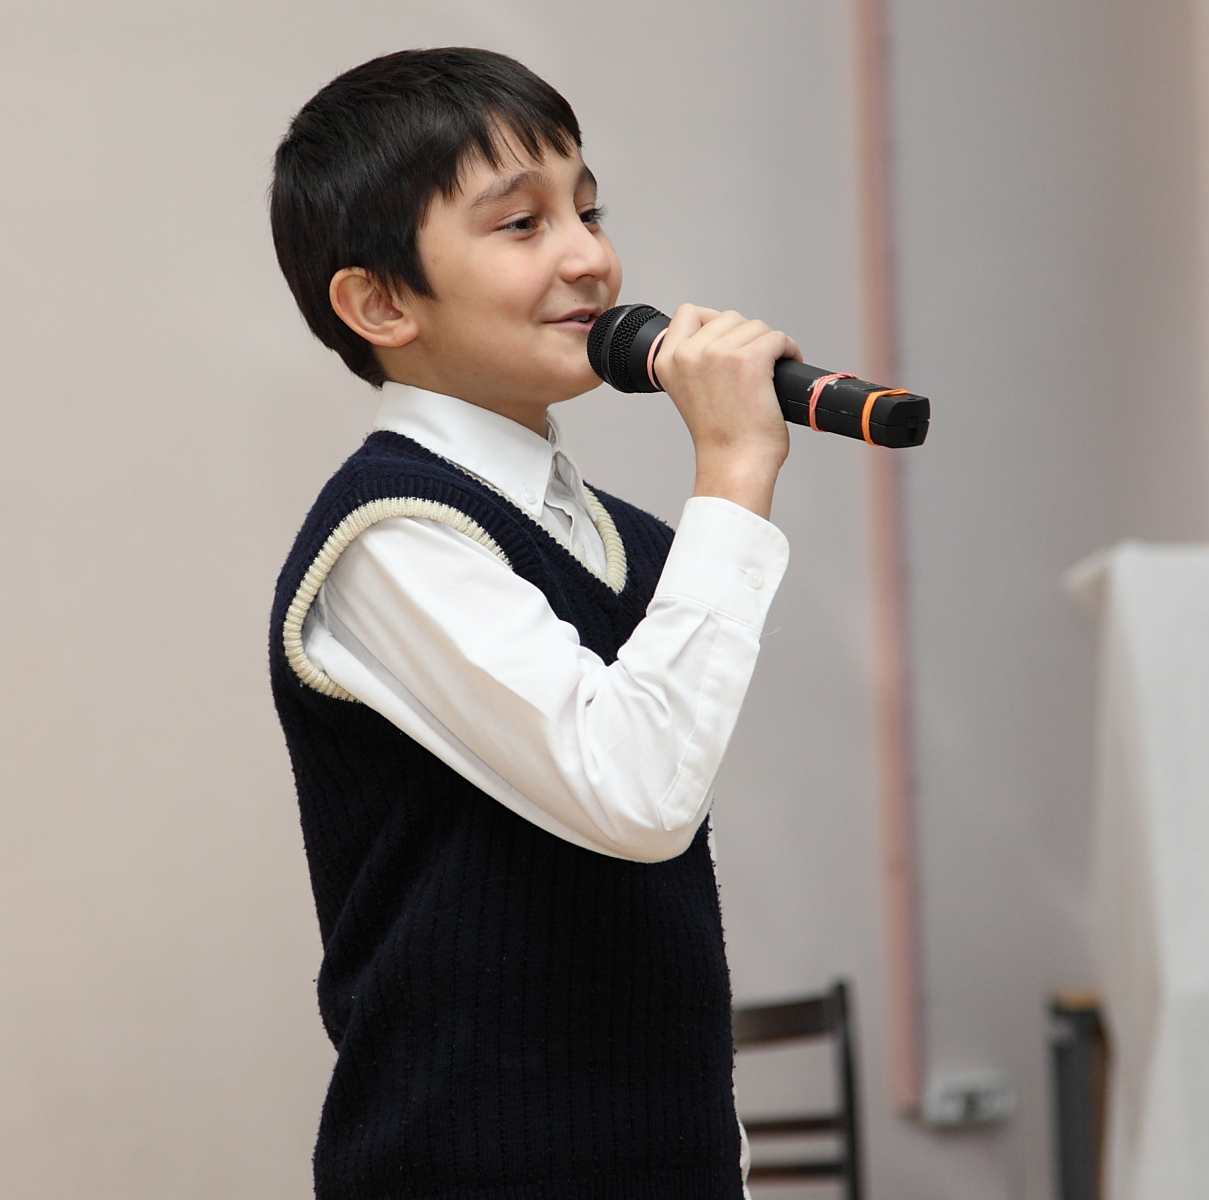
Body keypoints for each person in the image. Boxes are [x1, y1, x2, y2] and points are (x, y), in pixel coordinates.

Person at [268, 46, 796, 1200]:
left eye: (588, 210)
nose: (590, 256)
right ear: (381, 302)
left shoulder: (635, 544)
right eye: (521, 224)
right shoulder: (395, 537)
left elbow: (657, 888)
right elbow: (634, 792)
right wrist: (735, 465)